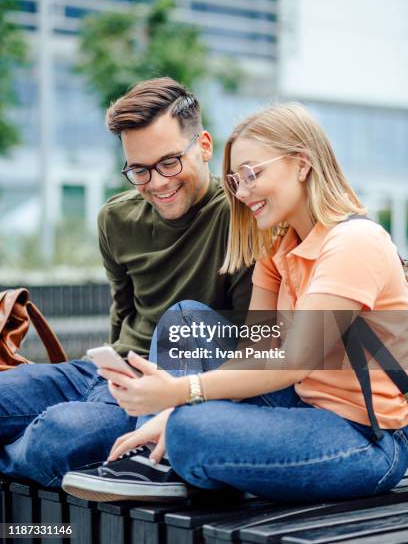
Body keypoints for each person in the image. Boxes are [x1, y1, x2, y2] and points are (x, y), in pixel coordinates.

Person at [62, 102, 408, 503]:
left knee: (192, 428)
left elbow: (293, 361)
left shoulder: (354, 242)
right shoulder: (279, 249)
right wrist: (167, 412)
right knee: (185, 321)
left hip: (367, 438)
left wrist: (179, 394)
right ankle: (155, 458)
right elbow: (255, 353)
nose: (241, 193)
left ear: (302, 163)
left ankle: (174, 449)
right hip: (302, 406)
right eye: (235, 180)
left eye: (251, 175)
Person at [0, 77, 251, 488]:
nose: (156, 182)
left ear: (204, 146)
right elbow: (124, 308)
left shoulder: (242, 218)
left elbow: (247, 338)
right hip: (102, 372)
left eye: (170, 162)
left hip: (163, 391)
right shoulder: (115, 219)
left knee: (61, 434)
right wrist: (110, 368)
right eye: (138, 169)